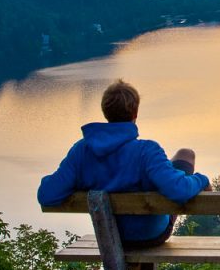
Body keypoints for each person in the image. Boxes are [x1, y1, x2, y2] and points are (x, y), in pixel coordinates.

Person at [37, 79, 209, 246]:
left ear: (106, 112)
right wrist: (202, 180)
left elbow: (47, 194)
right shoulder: (147, 151)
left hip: (109, 236)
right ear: (135, 114)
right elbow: (179, 190)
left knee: (175, 163)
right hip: (151, 235)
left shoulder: (82, 152)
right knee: (185, 157)